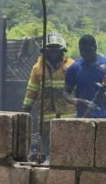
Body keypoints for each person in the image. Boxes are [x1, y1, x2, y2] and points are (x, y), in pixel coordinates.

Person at [22, 32, 76, 160]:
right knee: (47, 147)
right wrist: (26, 107)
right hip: (46, 115)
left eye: (56, 50)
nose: (53, 53)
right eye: (50, 51)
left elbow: (78, 87)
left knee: (66, 147)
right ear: (44, 51)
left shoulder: (71, 65)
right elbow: (32, 89)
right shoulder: (38, 68)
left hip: (67, 114)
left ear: (62, 50)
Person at [64, 34, 106, 118]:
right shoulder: (74, 68)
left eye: (88, 50)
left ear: (95, 48)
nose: (84, 54)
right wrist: (76, 101)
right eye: (82, 51)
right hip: (83, 118)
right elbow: (66, 93)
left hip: (104, 118)